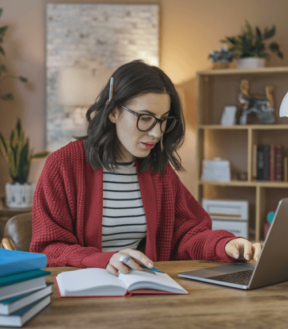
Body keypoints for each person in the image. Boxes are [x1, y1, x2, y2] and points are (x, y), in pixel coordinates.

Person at [30, 60, 262, 276]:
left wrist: (225, 245)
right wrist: (102, 259)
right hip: (83, 290)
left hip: (141, 288)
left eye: (163, 120)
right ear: (113, 112)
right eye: (145, 118)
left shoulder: (157, 170)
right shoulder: (63, 164)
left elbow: (188, 234)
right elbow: (48, 247)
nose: (156, 133)